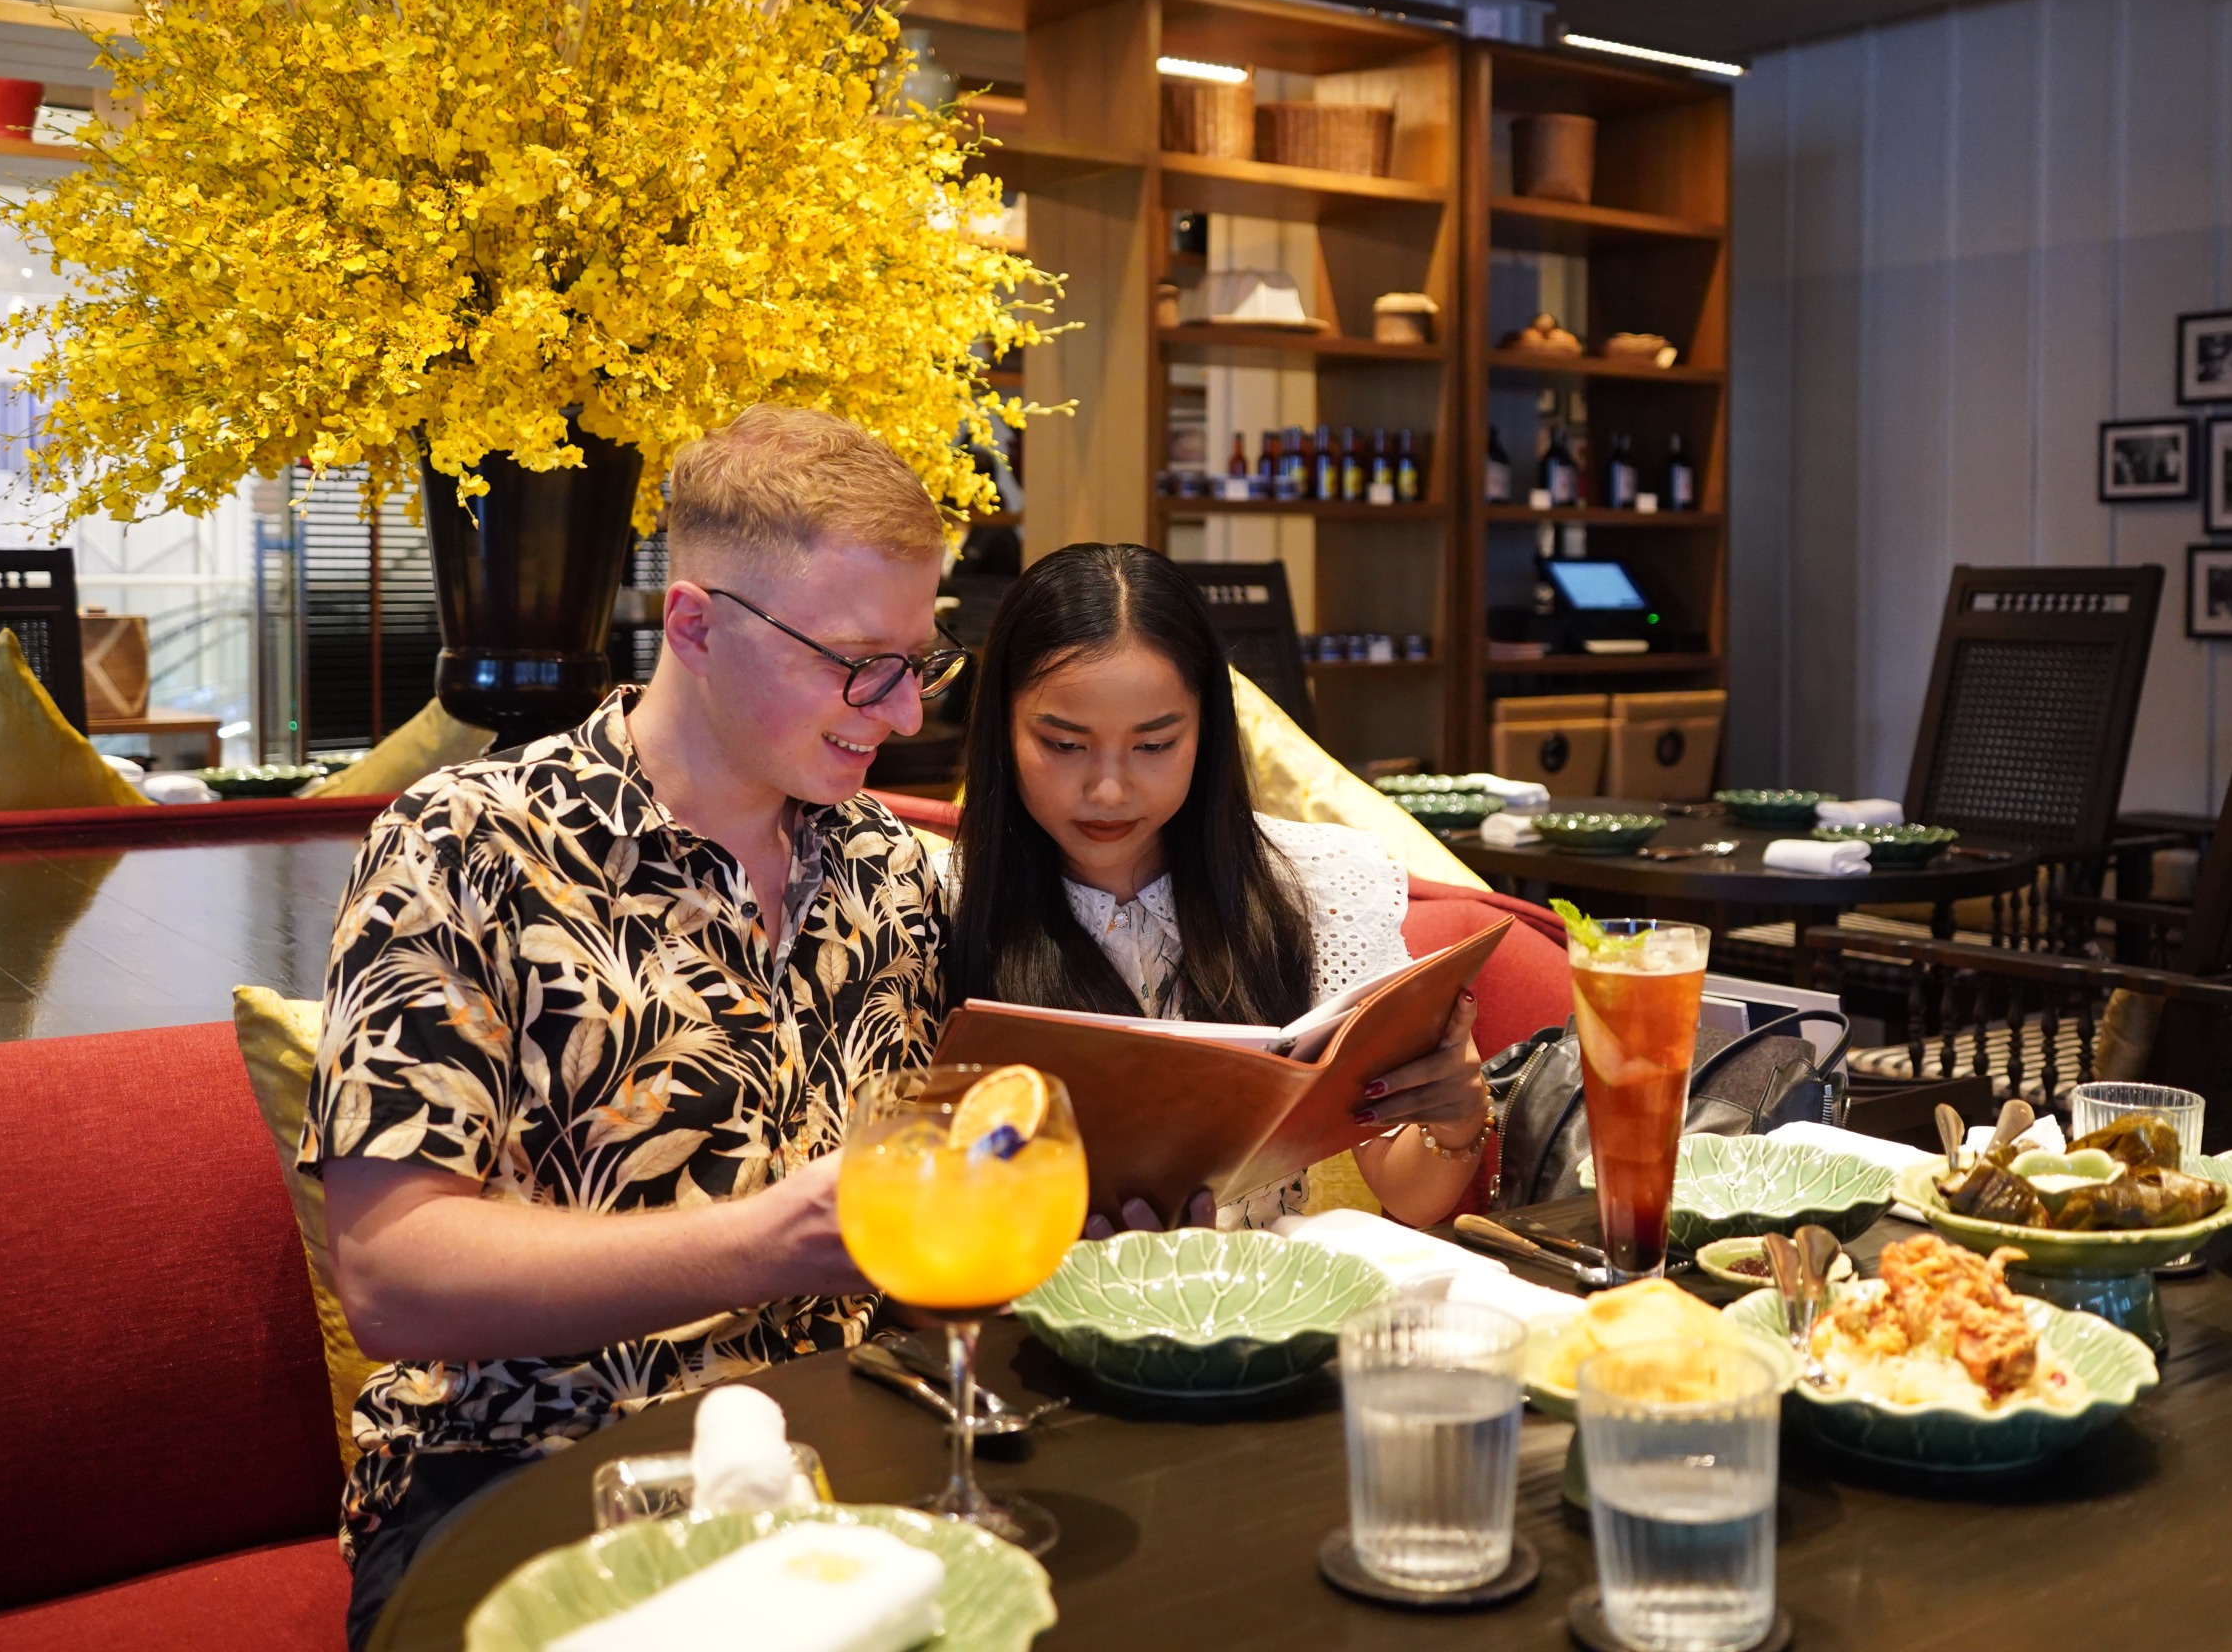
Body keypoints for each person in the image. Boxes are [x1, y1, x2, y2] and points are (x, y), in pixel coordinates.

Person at [300, 407, 966, 1649]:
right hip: (519, 1474)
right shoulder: (468, 843)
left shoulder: (902, 870)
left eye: (921, 661)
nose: (906, 712)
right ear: (697, 625)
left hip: (842, 1458)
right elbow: (392, 1279)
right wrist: (773, 1240)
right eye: (858, 662)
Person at [945, 542, 1492, 1231]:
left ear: (1207, 731)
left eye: (1154, 745)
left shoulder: (1316, 887)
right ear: (1002, 728)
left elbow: (1413, 1195)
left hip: (1258, 1311)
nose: (1108, 789)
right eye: (1064, 744)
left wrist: (1457, 1116)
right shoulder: (936, 903)